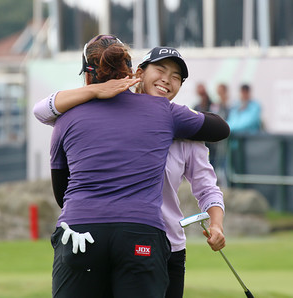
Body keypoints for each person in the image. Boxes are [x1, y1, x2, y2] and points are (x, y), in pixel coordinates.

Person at [37, 35, 229, 298]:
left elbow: (62, 193)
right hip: (143, 234)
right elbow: (220, 127)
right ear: (135, 72)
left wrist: (217, 224)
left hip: (86, 230)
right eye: (160, 70)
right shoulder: (167, 113)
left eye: (176, 77)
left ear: (87, 76)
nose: (166, 80)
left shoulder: (66, 116)